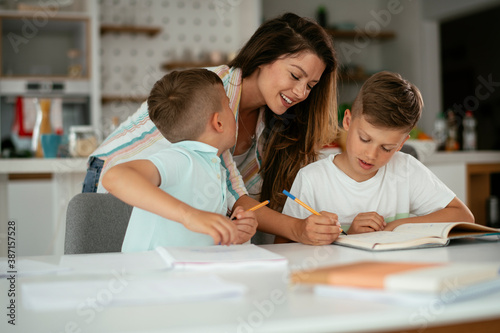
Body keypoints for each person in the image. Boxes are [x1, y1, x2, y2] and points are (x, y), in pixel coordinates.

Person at [86, 12, 342, 245]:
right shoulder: (212, 92)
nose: (301, 92)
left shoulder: (273, 120)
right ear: (265, 57)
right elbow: (117, 177)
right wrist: (296, 229)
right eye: (295, 76)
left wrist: (294, 228)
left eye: (310, 85)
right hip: (116, 180)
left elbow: (234, 193)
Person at [282, 71, 475, 234]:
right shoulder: (312, 179)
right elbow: (284, 245)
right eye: (365, 139)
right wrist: (349, 235)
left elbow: (463, 216)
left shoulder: (405, 169)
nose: (371, 155)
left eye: (386, 148)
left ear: (401, 144)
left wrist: (396, 226)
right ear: (347, 121)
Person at [103, 69, 258, 251]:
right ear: (219, 123)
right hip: (148, 275)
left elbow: (204, 235)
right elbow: (114, 177)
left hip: (186, 273)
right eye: (229, 106)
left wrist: (236, 229)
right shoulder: (181, 159)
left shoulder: (215, 168)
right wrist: (189, 216)